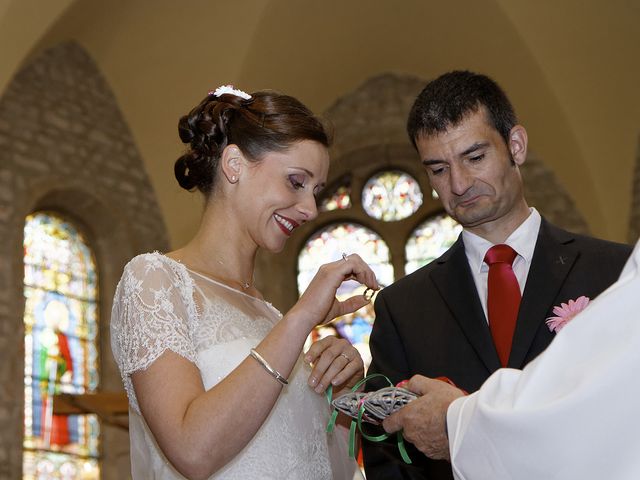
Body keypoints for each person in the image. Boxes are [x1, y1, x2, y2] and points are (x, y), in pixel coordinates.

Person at [362, 70, 632, 479]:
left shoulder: (614, 273)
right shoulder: (403, 308)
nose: (458, 183)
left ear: (516, 146)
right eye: (438, 169)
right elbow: (387, 455)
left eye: (474, 157)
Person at [110, 85, 379, 479]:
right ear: (234, 165)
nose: (309, 209)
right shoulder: (155, 280)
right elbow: (192, 451)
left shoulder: (269, 317)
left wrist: (341, 397)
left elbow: (330, 469)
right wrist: (302, 317)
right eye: (295, 182)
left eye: (316, 191)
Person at [382, 236, 640, 480]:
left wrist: (456, 420)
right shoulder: (401, 302)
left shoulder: (615, 266)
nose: (460, 186)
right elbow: (387, 451)